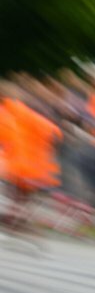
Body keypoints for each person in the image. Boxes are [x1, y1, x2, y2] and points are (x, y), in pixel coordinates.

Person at [0, 81, 63, 240]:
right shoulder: (17, 110)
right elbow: (47, 128)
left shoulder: (14, 110)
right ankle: (15, 220)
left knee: (21, 193)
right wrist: (55, 133)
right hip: (23, 161)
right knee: (22, 194)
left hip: (20, 161)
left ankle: (15, 220)